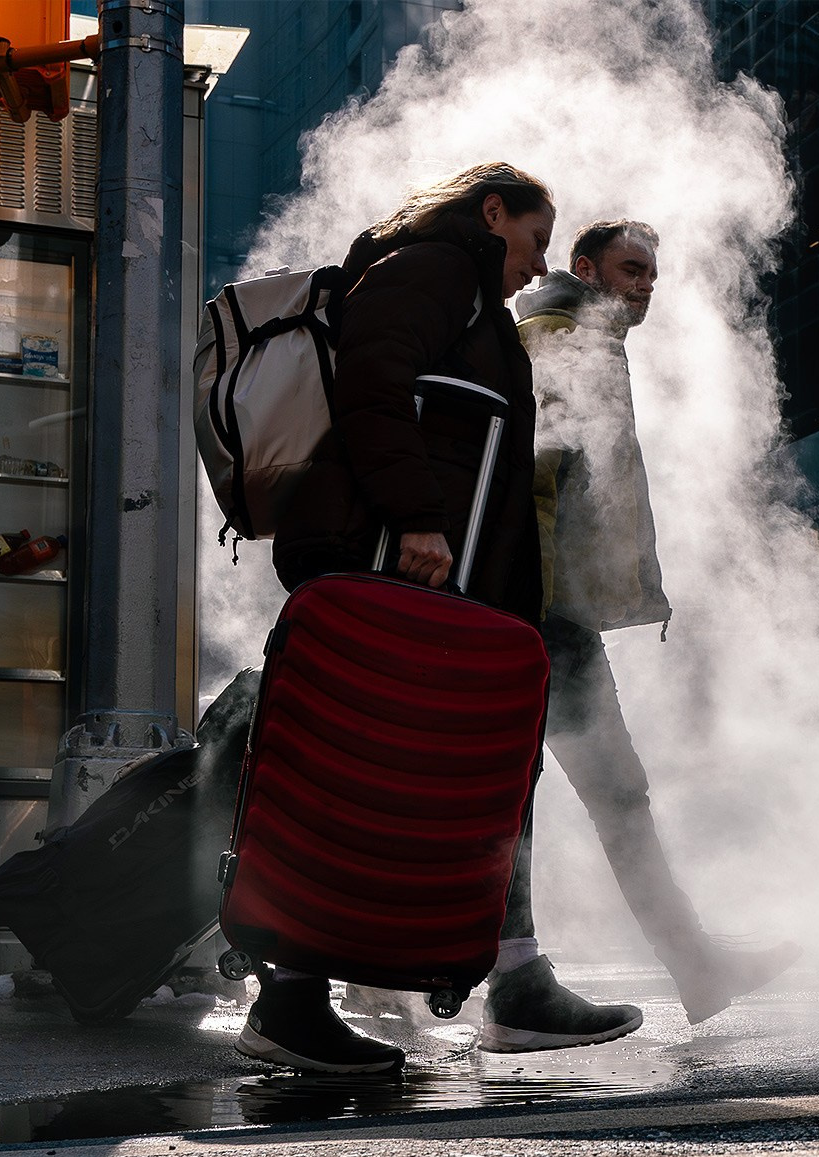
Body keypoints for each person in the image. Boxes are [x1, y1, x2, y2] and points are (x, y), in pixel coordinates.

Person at [239, 161, 627, 1073]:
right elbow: (372, 387)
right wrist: (416, 515)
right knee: (359, 774)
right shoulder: (431, 274)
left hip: (437, 582)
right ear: (491, 214)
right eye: (535, 237)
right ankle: (291, 997)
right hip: (393, 565)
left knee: (480, 772)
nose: (537, 264)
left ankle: (516, 981)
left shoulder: (472, 304)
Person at [495, 220, 800, 1042]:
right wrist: (537, 608)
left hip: (554, 612)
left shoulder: (581, 340)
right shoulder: (559, 340)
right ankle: (511, 982)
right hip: (539, 614)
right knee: (529, 801)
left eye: (653, 275)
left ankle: (690, 961)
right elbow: (535, 476)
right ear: (586, 268)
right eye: (631, 270)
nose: (645, 286)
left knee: (603, 795)